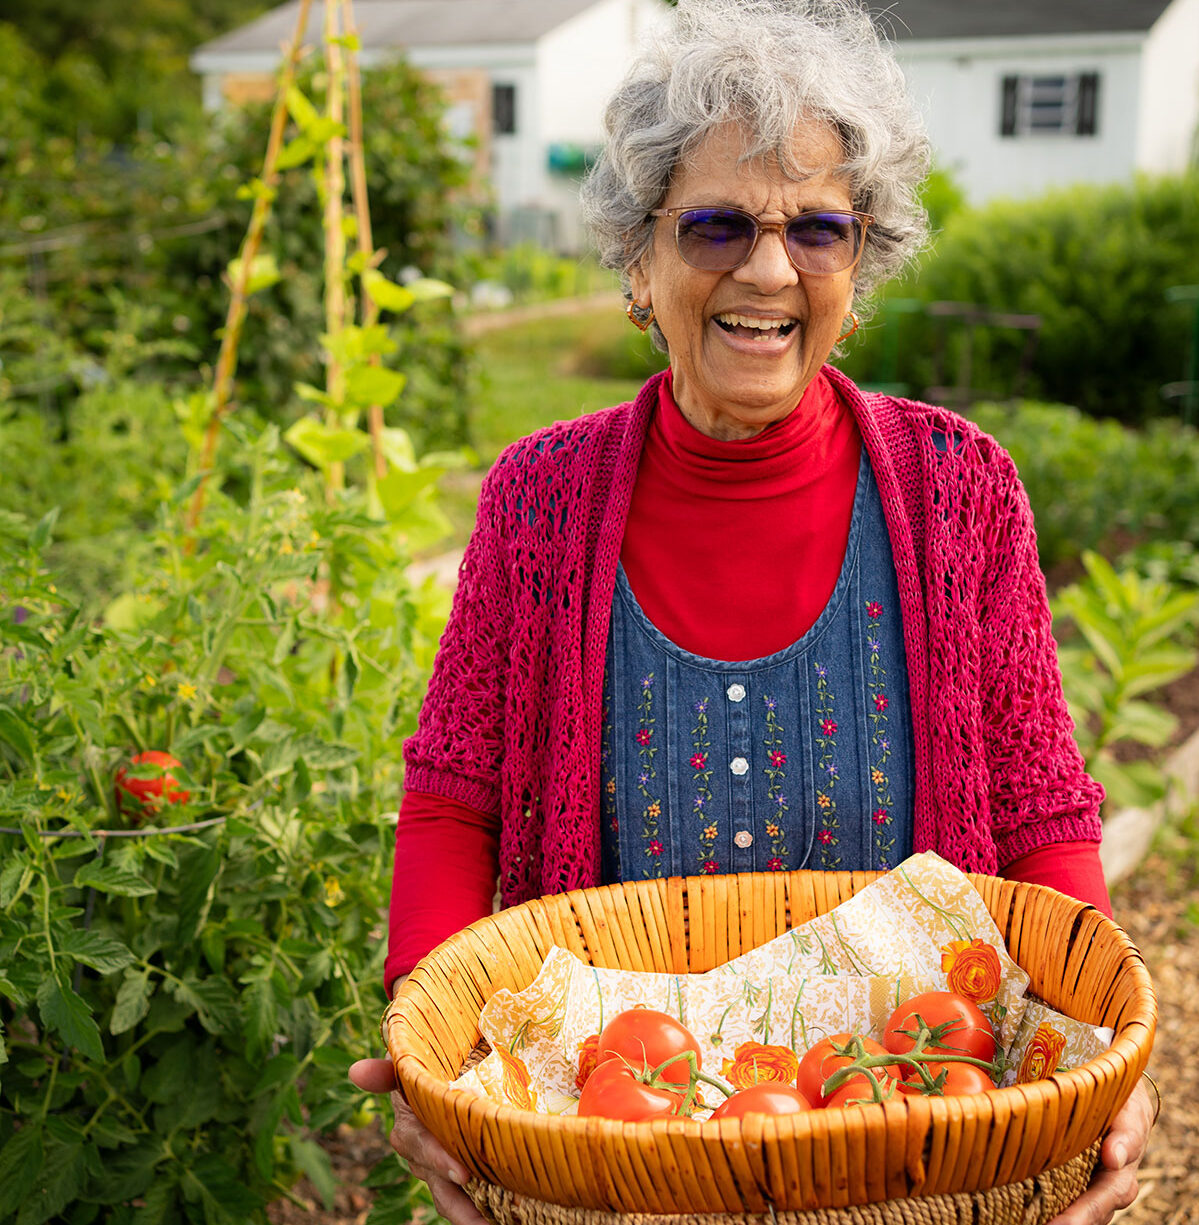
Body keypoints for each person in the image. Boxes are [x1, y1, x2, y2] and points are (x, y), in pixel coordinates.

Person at [349, 1, 1156, 1221]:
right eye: (716, 224)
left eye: (817, 229)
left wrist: (1093, 1058)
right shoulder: (535, 501)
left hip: (912, 1135)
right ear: (640, 258)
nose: (768, 270)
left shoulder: (959, 492)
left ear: (858, 258)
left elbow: (1042, 812)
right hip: (611, 1151)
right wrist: (434, 1051)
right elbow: (454, 796)